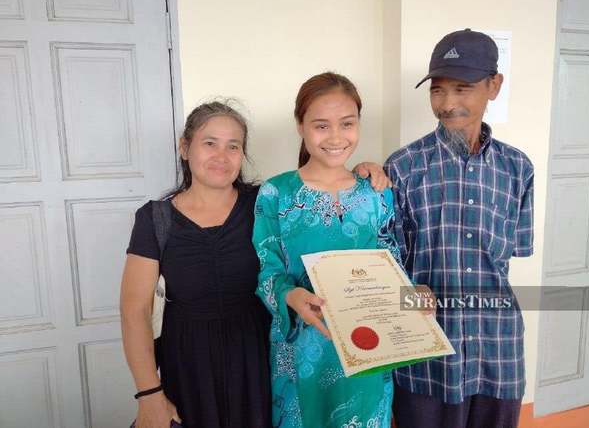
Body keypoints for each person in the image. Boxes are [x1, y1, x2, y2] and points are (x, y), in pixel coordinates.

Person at [121, 100, 391, 428]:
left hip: (257, 361)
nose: (222, 156)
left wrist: (363, 172)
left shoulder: (266, 203)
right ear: (185, 147)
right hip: (188, 363)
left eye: (233, 146)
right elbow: (134, 311)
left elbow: (323, 209)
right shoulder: (155, 219)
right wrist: (148, 393)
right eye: (210, 143)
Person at [384, 29, 534, 428]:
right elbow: (386, 266)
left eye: (462, 88)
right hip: (425, 354)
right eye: (437, 90)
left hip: (496, 351)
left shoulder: (518, 169)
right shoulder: (401, 168)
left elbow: (509, 258)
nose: (447, 104)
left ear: (494, 86)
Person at [253, 72, 400, 428]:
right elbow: (267, 272)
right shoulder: (276, 194)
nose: (336, 137)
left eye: (347, 124)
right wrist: (290, 296)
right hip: (302, 352)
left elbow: (392, 266)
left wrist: (411, 302)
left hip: (370, 351)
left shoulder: (377, 192)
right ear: (300, 126)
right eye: (321, 125)